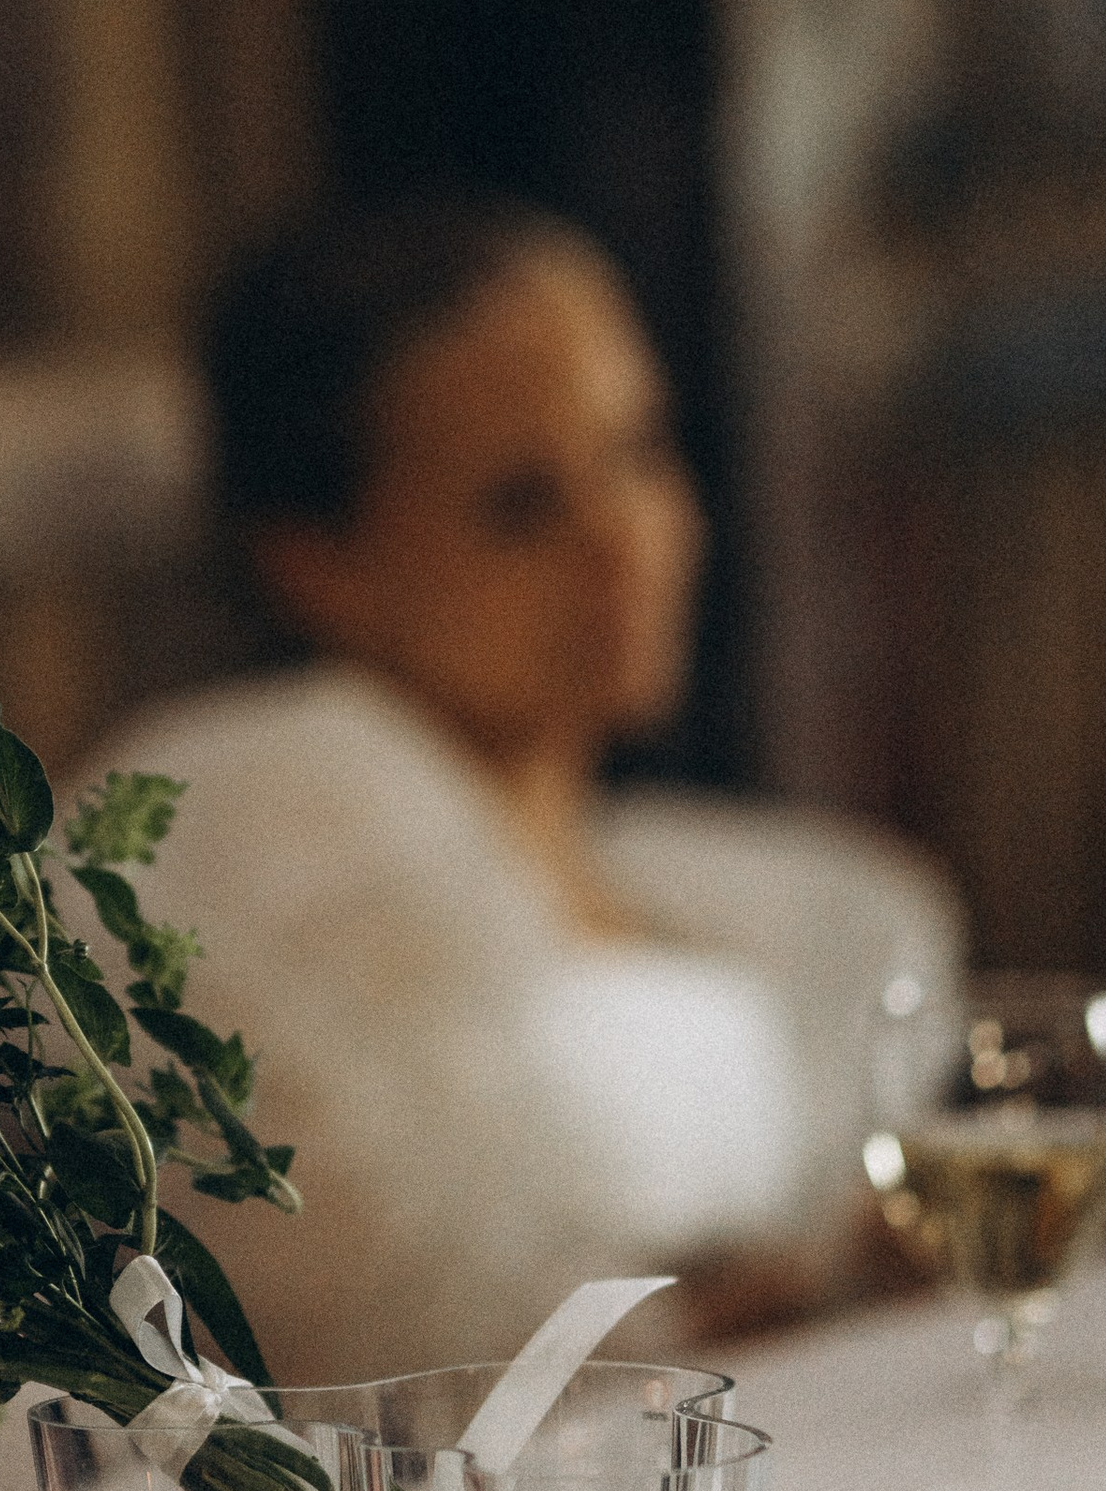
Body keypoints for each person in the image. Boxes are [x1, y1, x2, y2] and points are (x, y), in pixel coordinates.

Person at [85, 196, 959, 1390]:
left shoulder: (759, 889)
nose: (623, 541)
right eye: (520, 503)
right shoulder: (260, 824)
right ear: (316, 563)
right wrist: (801, 1298)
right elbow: (385, 1326)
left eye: (638, 451)